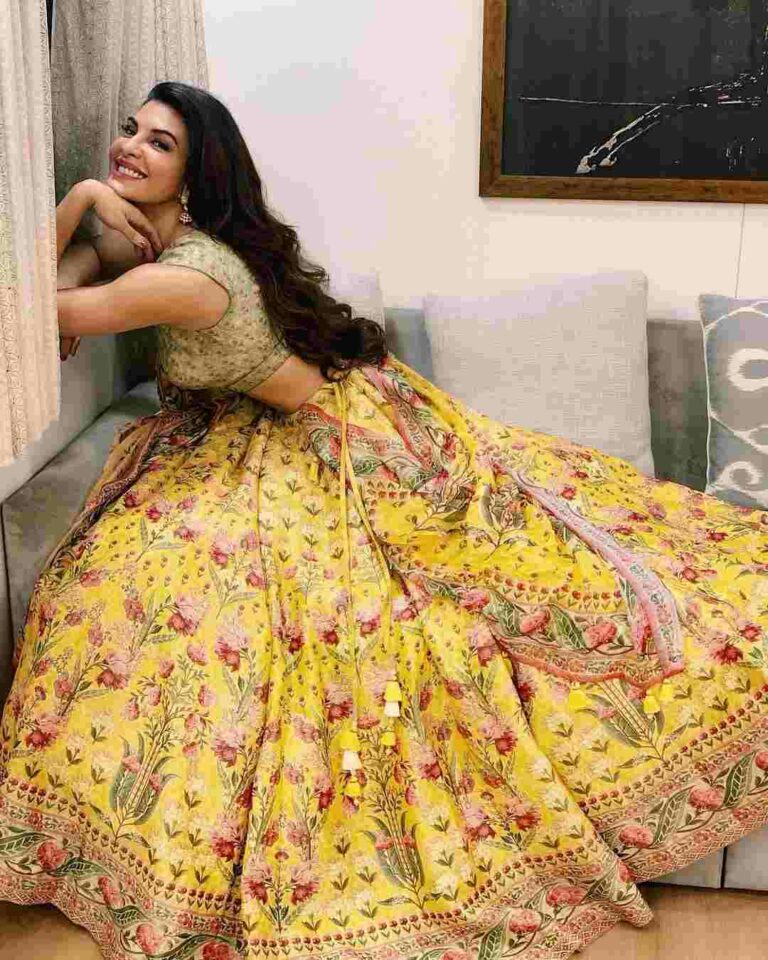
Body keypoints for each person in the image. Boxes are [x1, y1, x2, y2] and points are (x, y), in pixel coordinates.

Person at [1, 81, 768, 960]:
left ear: (195, 172)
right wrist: (89, 229)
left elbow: (28, 307)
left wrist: (79, 198)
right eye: (130, 131)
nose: (130, 148)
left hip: (343, 438)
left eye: (159, 143)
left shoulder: (187, 276)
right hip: (272, 427)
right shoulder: (159, 237)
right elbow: (62, 279)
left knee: (451, 594)